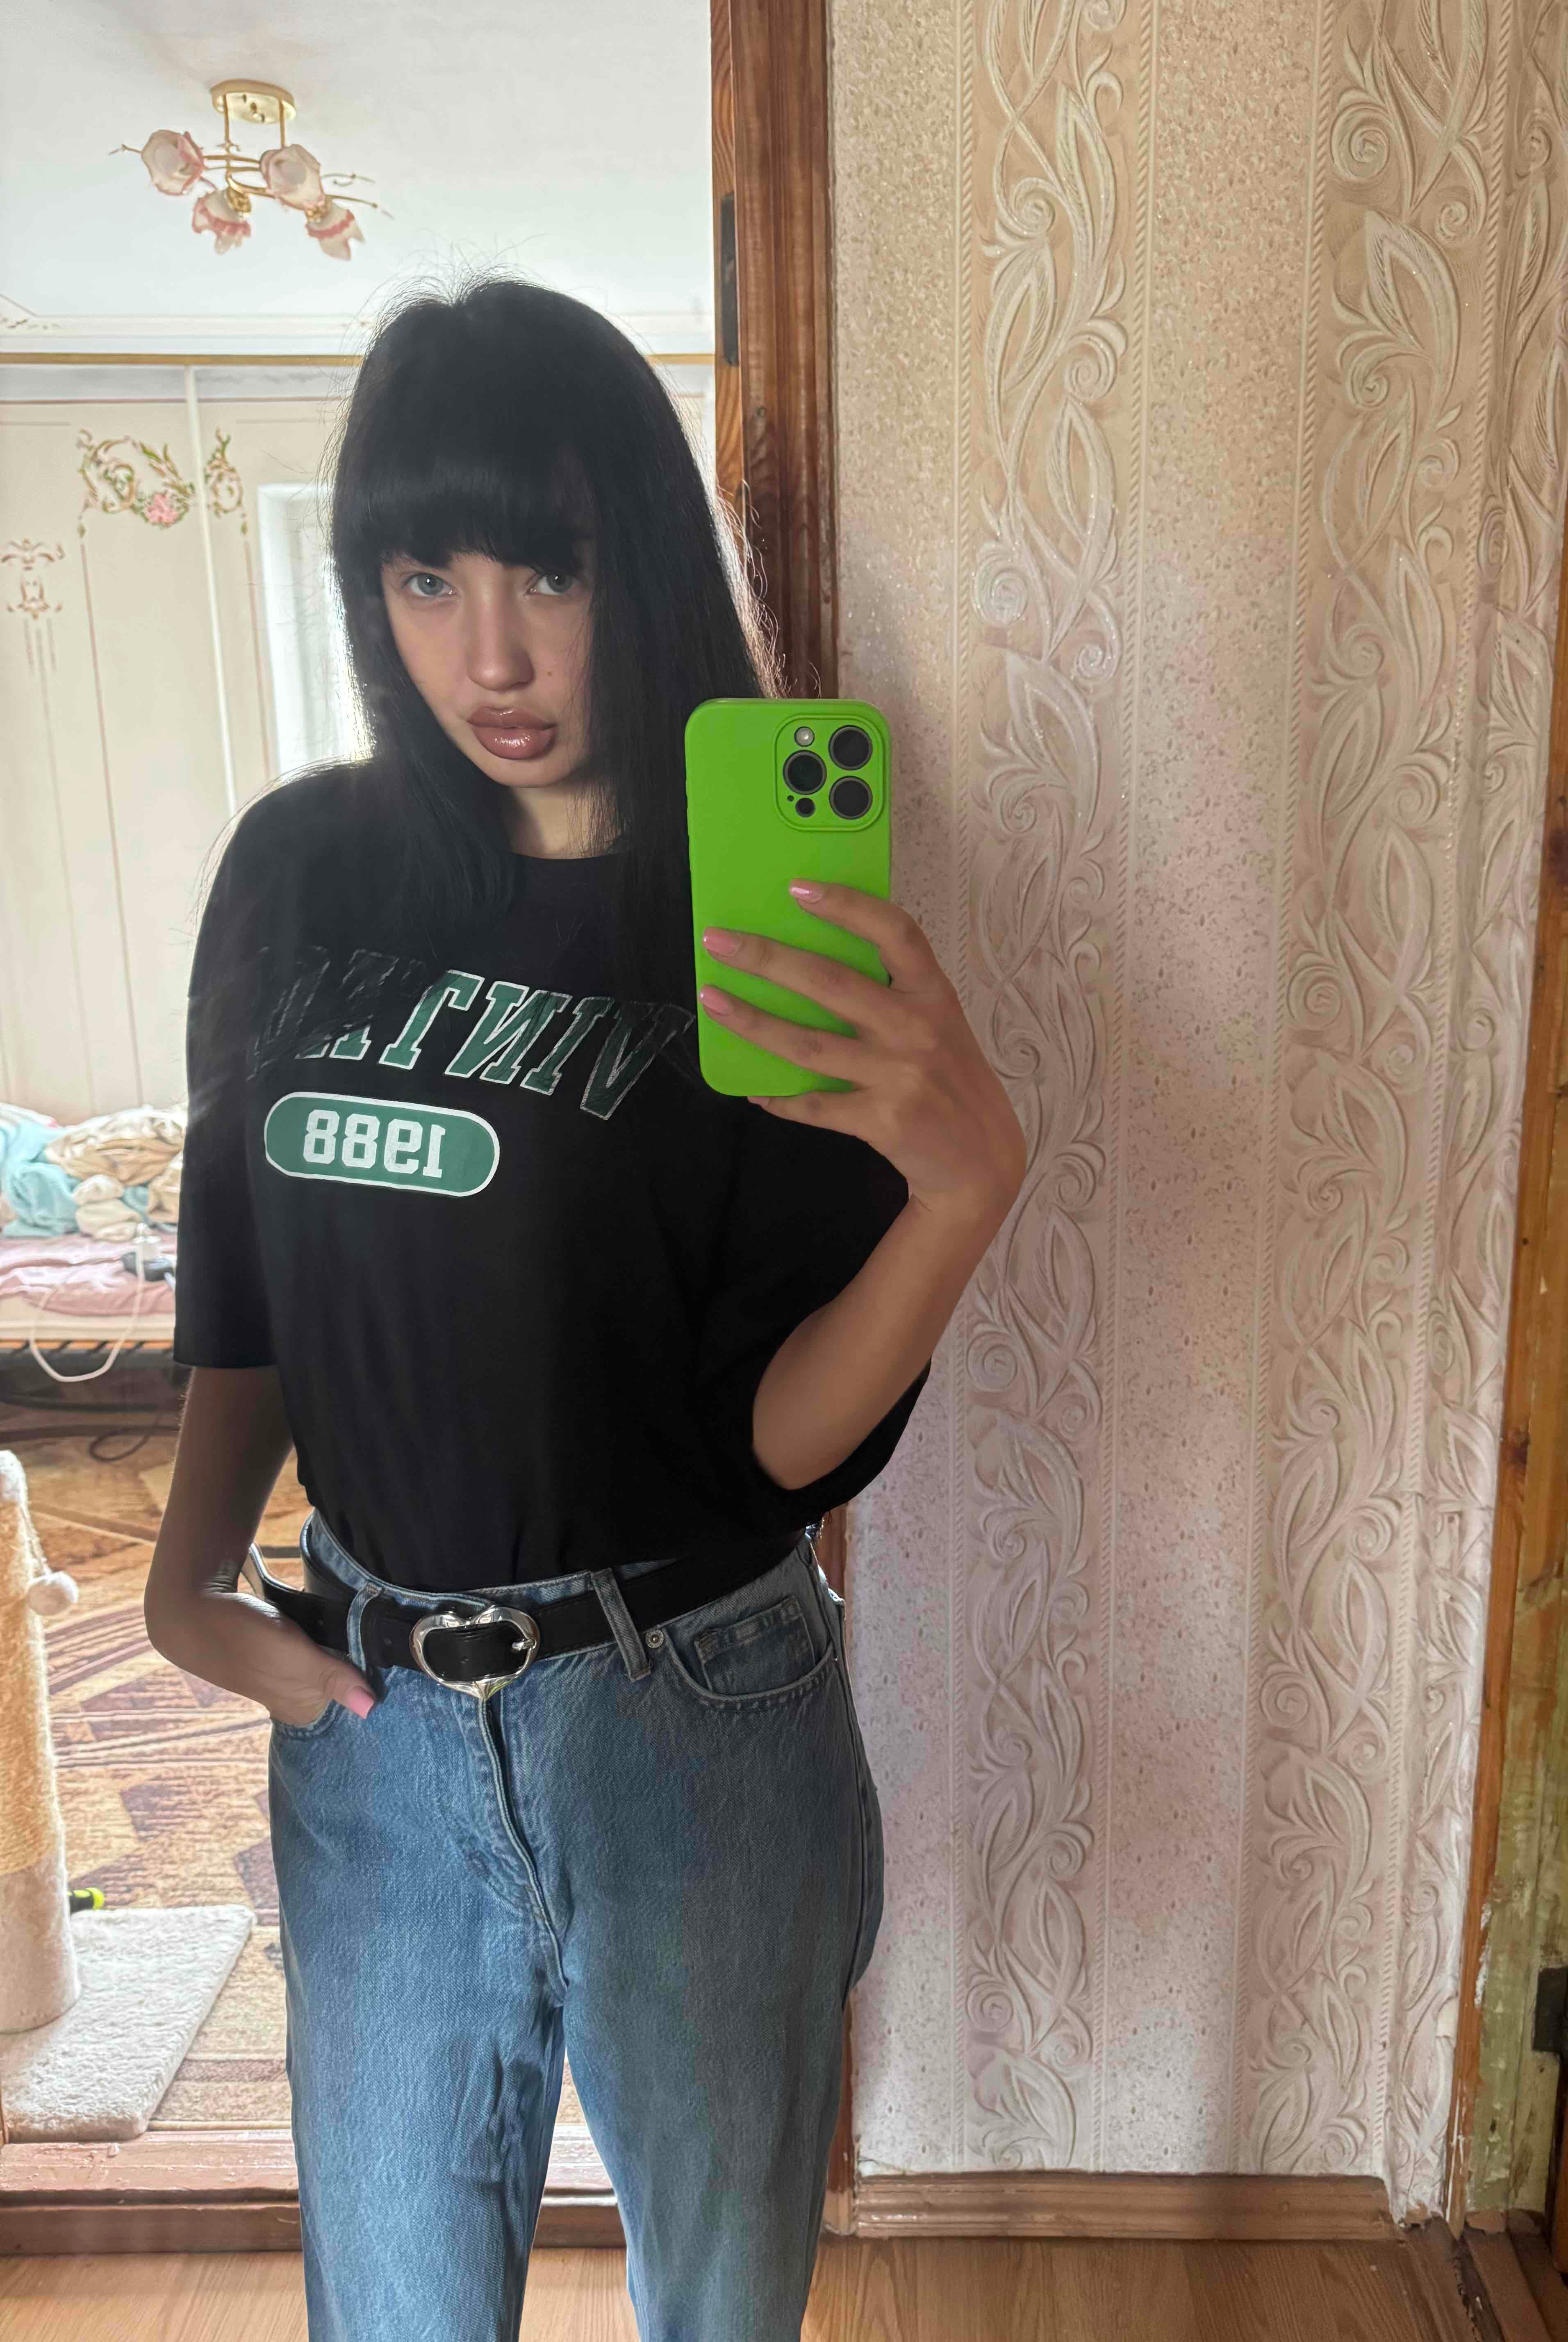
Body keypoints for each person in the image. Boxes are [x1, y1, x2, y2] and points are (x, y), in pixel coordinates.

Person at [143, 276, 1024, 2342]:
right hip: (370, 1721)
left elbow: (767, 1450)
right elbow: (245, 1243)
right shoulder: (301, 869)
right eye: (426, 577)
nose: (493, 654)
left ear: (640, 562)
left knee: (720, 2304)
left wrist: (966, 1198)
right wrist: (187, 1584)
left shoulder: (762, 924)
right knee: (395, 2310)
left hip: (685, 1712)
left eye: (548, 568)